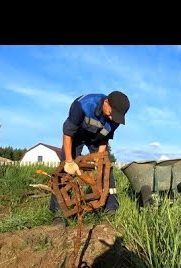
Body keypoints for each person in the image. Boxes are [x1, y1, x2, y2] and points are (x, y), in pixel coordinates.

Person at [50, 91, 130, 225]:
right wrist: (69, 161)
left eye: (115, 116)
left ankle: (110, 207)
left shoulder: (115, 118)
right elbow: (68, 133)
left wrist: (99, 159)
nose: (112, 118)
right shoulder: (83, 105)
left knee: (106, 167)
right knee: (64, 170)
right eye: (110, 113)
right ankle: (59, 213)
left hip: (96, 139)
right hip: (75, 135)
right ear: (106, 102)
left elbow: (104, 139)